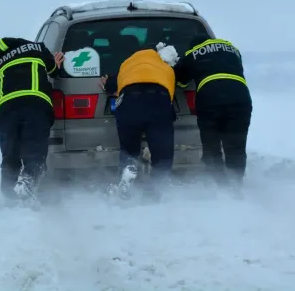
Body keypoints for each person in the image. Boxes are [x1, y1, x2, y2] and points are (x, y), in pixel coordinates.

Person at [99, 41, 180, 201]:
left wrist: (107, 82)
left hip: (129, 102)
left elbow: (109, 85)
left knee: (129, 148)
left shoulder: (127, 64)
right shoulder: (165, 66)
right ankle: (158, 189)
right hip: (159, 102)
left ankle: (128, 168)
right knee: (162, 152)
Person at [0, 37, 64, 206]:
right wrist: (56, 65)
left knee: (10, 157)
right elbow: (53, 70)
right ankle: (27, 182)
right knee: (35, 152)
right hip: (35, 105)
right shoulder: (37, 48)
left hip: (5, 112)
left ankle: (10, 199)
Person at [173, 35, 253, 191]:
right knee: (236, 147)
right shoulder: (232, 49)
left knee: (212, 147)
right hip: (240, 99)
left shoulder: (194, 52)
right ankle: (236, 187)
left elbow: (181, 80)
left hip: (211, 99)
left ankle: (220, 187)